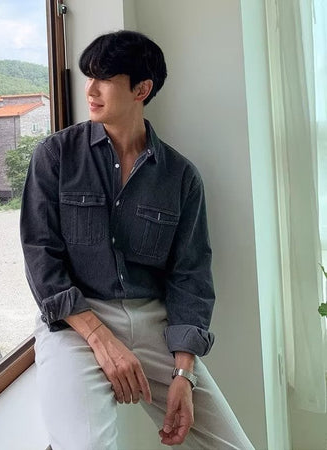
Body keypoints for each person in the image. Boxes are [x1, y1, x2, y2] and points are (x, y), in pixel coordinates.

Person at [20, 30, 254, 450]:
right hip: (75, 322)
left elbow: (190, 276)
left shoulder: (180, 177)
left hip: (154, 325)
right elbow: (41, 258)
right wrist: (101, 339)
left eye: (104, 79)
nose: (90, 90)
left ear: (141, 89)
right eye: (89, 77)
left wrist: (183, 372)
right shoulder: (55, 156)